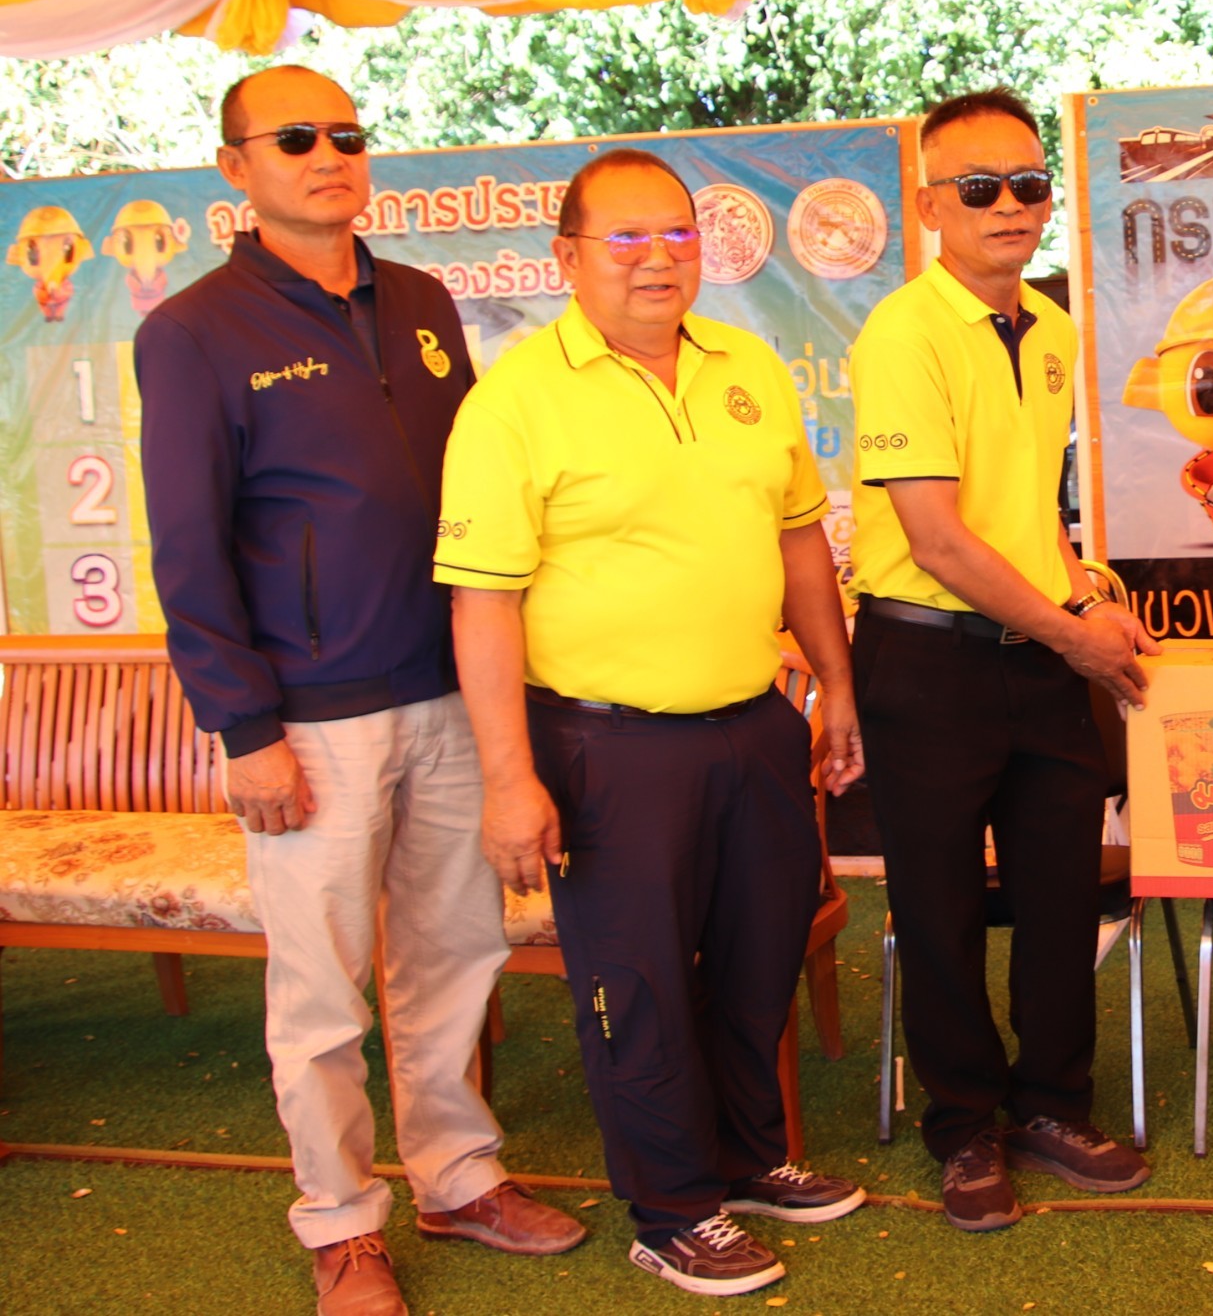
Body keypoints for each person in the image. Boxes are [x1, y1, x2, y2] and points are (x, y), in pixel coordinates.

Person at [138, 65, 584, 1316]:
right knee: (322, 993)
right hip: (308, 721)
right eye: (295, 138)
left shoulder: (424, 301)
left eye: (345, 132)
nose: (328, 153)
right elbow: (188, 548)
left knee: (456, 957)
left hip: (451, 695)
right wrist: (245, 729)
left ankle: (458, 1177)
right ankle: (341, 1224)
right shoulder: (193, 331)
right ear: (237, 168)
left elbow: (481, 502)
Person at [437, 148, 866, 1299]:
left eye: (676, 233)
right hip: (605, 744)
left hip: (754, 721)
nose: (656, 258)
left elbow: (798, 538)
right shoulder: (515, 401)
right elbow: (483, 603)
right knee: (638, 988)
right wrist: (508, 778)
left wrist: (836, 684)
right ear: (566, 256)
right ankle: (673, 1210)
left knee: (760, 951)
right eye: (623, 237)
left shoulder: (746, 365)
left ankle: (747, 1157)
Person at [847, 89, 1159, 1231]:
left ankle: (1053, 1107)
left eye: (1028, 184)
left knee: (1060, 893)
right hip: (926, 657)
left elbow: (1032, 514)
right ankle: (964, 1129)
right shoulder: (903, 334)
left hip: (1038, 648)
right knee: (937, 906)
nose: (1009, 206)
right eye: (978, 188)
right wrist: (1074, 634)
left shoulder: (1053, 329)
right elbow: (936, 538)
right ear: (931, 205)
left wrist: (1088, 597)